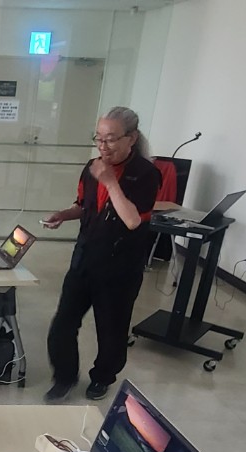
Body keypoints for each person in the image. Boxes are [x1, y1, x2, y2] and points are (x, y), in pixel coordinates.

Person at [42, 107, 161, 403]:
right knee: (63, 323)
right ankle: (65, 377)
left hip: (120, 266)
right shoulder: (92, 167)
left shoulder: (146, 174)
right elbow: (84, 205)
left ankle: (103, 377)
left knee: (111, 330)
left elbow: (132, 220)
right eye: (98, 138)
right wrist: (64, 214)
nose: (103, 146)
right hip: (85, 256)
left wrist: (110, 181)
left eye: (111, 139)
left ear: (131, 138)